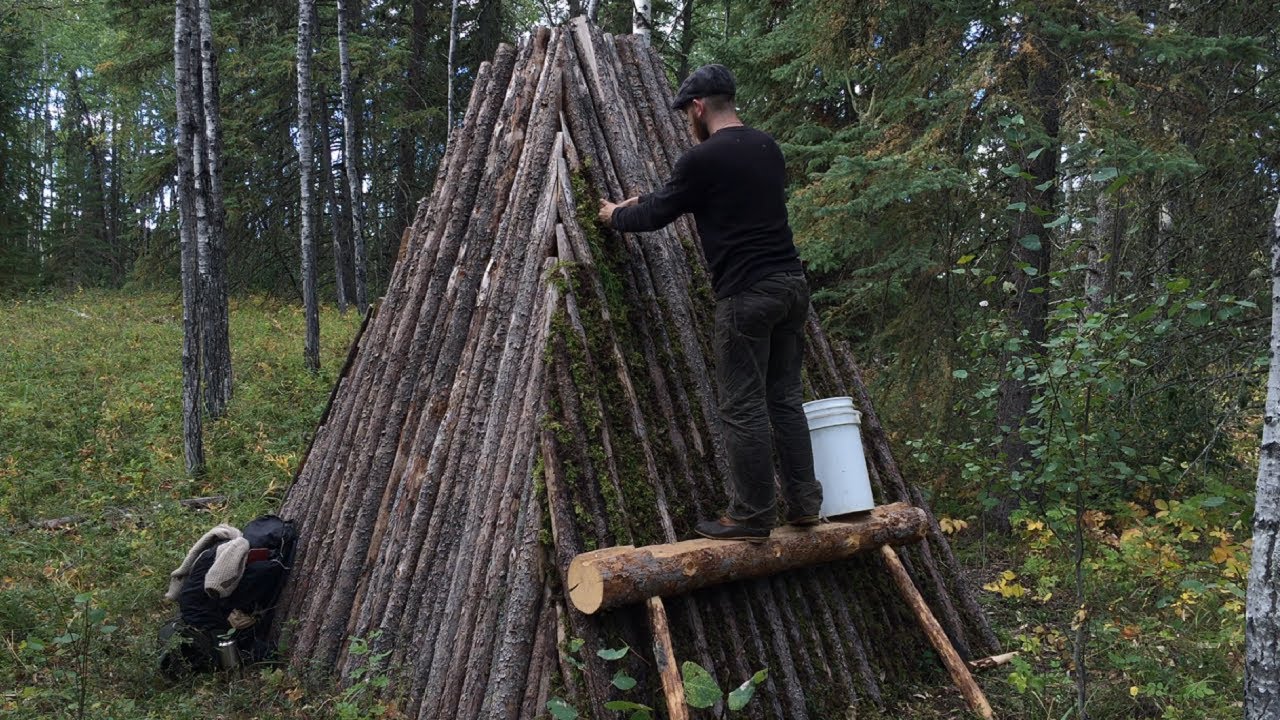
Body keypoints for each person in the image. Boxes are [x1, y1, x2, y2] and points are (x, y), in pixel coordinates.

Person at [596, 64, 822, 542]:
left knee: (743, 407)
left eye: (687, 113)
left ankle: (752, 515)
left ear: (698, 107)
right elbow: (700, 197)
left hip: (747, 294)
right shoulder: (767, 147)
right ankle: (804, 503)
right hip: (790, 285)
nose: (687, 121)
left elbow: (660, 214)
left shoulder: (702, 158)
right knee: (784, 399)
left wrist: (617, 215)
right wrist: (648, 198)